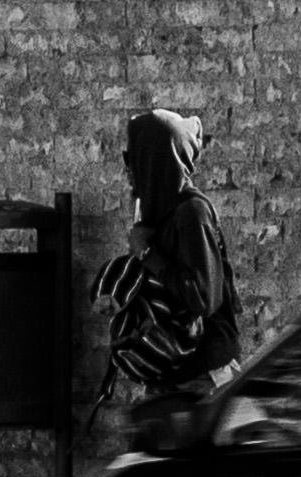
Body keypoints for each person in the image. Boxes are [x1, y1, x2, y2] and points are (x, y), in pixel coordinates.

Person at [103, 105, 241, 448]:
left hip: (202, 378)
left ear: (156, 163)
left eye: (135, 162)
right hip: (171, 373)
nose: (128, 174)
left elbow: (204, 298)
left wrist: (148, 254)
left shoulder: (191, 213)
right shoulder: (157, 213)